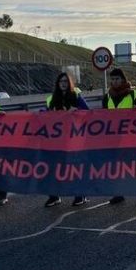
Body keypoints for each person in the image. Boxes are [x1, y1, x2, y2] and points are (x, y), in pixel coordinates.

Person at [101, 68, 136, 206]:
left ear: (123, 79)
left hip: (132, 138)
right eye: (113, 79)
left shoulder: (134, 95)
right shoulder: (107, 97)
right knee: (116, 167)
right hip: (114, 139)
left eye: (117, 79)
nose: (115, 81)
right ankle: (119, 193)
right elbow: (102, 118)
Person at [44, 72, 89, 208]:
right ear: (57, 84)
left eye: (65, 81)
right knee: (53, 168)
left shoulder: (76, 97)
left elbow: (87, 112)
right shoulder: (51, 99)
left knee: (74, 168)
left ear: (69, 83)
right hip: (57, 139)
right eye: (61, 81)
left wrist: (76, 111)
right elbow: (45, 115)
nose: (63, 83)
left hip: (74, 138)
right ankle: (54, 196)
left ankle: (80, 195)